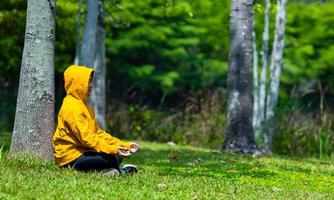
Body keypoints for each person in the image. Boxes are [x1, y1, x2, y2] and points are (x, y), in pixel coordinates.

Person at [53, 65, 140, 176]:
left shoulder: (84, 106)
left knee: (115, 155)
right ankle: (121, 172)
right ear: (76, 83)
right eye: (87, 82)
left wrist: (123, 145)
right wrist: (113, 149)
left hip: (84, 152)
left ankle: (107, 171)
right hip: (70, 158)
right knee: (111, 156)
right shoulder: (71, 107)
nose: (91, 86)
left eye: (90, 82)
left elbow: (98, 133)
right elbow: (86, 138)